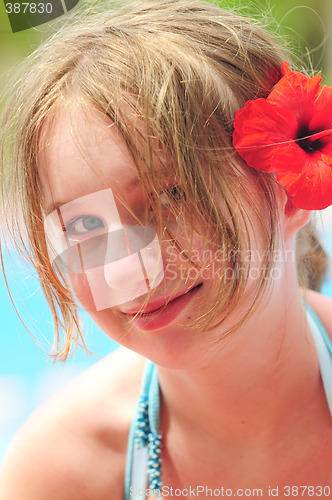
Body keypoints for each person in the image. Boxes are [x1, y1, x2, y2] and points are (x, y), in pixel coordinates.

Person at [0, 0, 331, 498]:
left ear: (289, 184)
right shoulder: (61, 473)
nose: (129, 273)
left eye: (172, 196)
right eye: (85, 224)